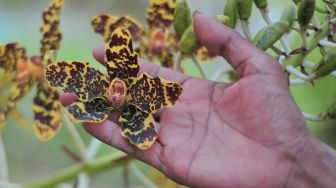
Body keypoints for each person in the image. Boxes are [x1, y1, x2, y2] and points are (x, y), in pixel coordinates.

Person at [61, 13, 336, 187]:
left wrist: (300, 160)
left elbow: (167, 93)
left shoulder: (149, 96)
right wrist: (303, 163)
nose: (116, 92)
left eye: (119, 89)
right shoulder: (105, 87)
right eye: (114, 89)